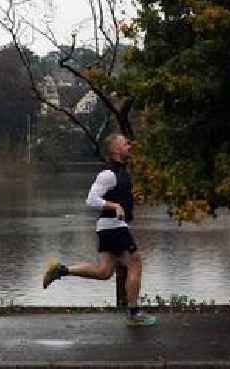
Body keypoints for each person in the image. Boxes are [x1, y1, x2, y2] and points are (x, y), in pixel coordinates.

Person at [42, 132, 158, 326]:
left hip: (108, 227)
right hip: (114, 226)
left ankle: (61, 270)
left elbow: (118, 196)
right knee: (135, 263)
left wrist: (129, 201)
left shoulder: (121, 172)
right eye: (125, 143)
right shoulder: (108, 174)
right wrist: (114, 206)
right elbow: (91, 200)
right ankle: (134, 313)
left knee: (104, 271)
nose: (129, 145)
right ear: (115, 150)